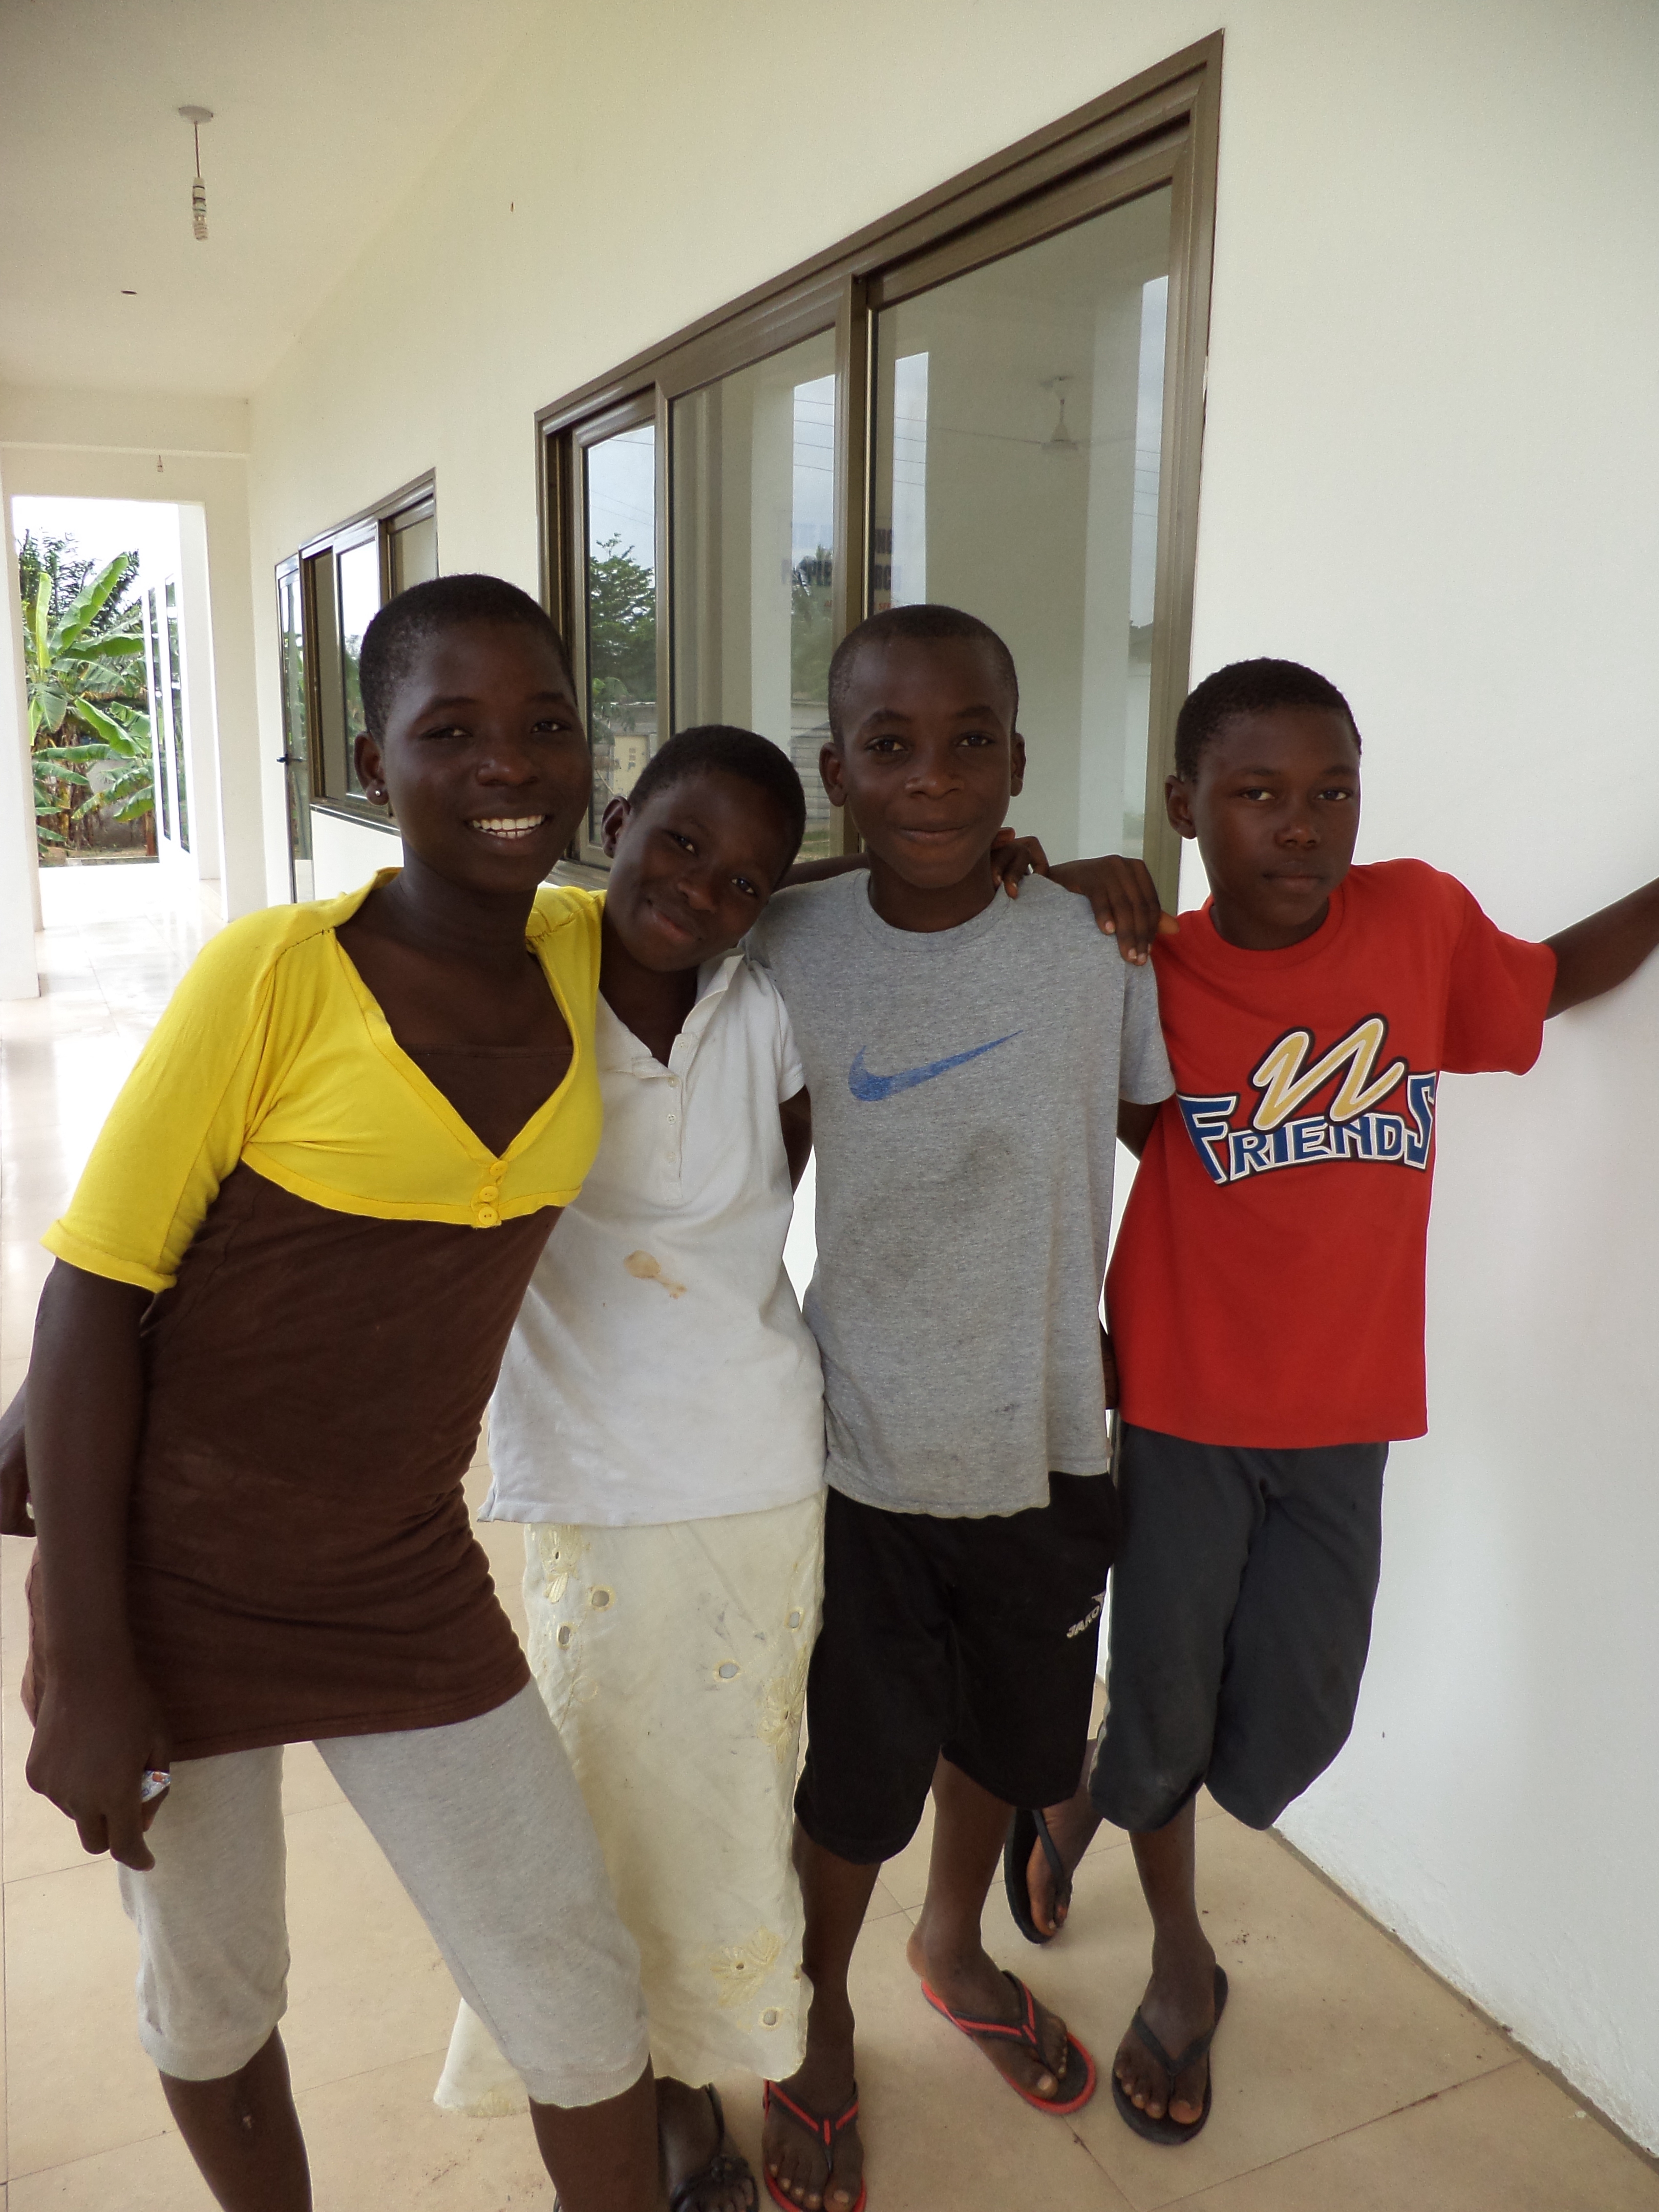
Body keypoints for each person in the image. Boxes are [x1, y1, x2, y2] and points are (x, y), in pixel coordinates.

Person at [13, 573, 672, 2212]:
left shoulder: (585, 948)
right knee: (214, 1986)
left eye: (543, 724)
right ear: (375, 766)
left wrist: (1026, 867)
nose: (506, 764)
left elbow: (755, 876)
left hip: (400, 1574)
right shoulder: (275, 974)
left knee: (571, 1981)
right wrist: (84, 1658)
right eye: (451, 732)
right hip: (171, 1581)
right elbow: (93, 1293)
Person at [1006, 655, 1659, 2146]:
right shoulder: (1141, 967)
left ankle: (1093, 1788)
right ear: (1186, 808)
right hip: (1181, 1402)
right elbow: (1080, 1096)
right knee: (1167, 1701)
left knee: (1292, 1726)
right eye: (1257, 794)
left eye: (1331, 792)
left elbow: (1553, 979)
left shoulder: (1418, 923)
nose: (1301, 825)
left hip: (1348, 1412)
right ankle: (1182, 1964)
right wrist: (1040, 882)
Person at [746, 603, 1175, 2212]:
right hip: (862, 1449)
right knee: (854, 1773)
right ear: (837, 771)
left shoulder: (1091, 946)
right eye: (890, 748)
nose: (933, 777)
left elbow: (1166, 1144)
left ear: (1018, 756)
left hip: (1052, 1439)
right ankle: (817, 2022)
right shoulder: (792, 946)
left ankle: (952, 1942)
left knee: (1011, 1732)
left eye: (969, 742)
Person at [434, 724, 824, 2212]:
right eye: (678, 845)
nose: (702, 891)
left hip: (758, 1469)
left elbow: (778, 1181)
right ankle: (623, 2086)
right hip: (595, 1483)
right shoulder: (516, 975)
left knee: (730, 1803)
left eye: (744, 881)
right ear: (613, 825)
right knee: (595, 1811)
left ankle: (702, 2077)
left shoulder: (765, 1009)